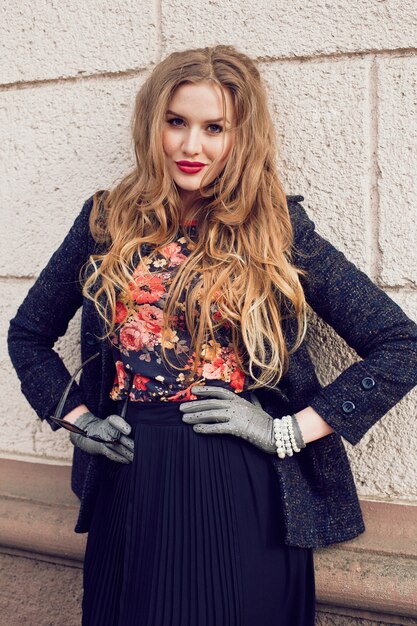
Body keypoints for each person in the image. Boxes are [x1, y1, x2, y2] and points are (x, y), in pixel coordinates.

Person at [7, 44, 417, 626]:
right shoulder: (106, 220)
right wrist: (76, 420)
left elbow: (400, 345)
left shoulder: (275, 230)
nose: (190, 145)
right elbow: (27, 335)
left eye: (214, 127)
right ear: (154, 123)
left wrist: (287, 431)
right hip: (131, 478)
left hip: (240, 483)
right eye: (176, 122)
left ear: (240, 136)